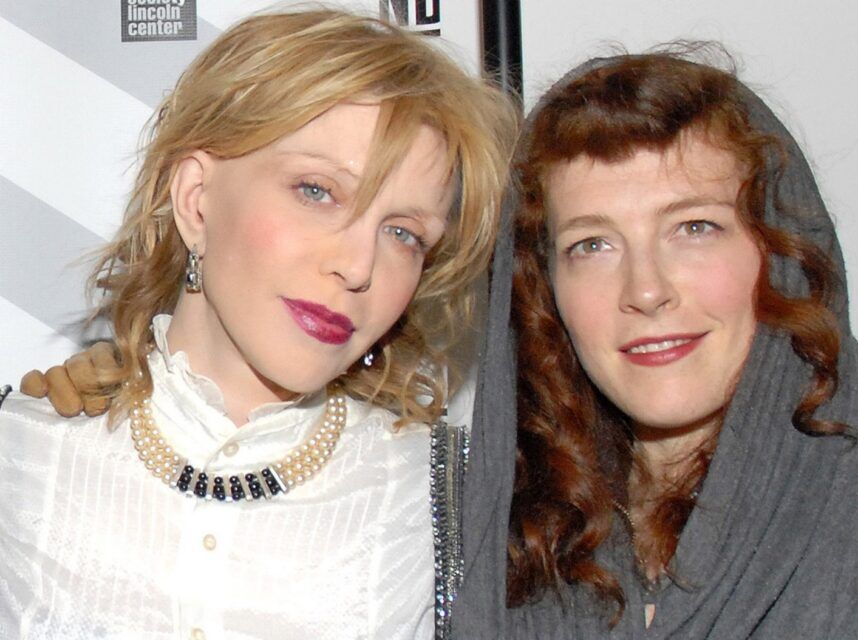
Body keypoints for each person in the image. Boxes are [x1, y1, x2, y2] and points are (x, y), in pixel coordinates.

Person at [0, 6, 516, 639]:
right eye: (317, 191)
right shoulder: (21, 456)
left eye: (403, 233)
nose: (359, 266)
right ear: (196, 200)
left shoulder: (454, 505)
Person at [453, 52, 858, 638]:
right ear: (543, 293)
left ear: (780, 256)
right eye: (593, 245)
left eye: (693, 228)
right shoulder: (481, 561)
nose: (646, 290)